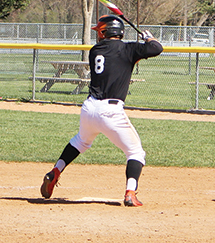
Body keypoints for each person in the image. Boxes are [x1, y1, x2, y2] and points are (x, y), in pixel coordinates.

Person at [40, 15, 163, 207]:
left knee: (80, 142)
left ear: (107, 32)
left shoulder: (95, 50)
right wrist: (149, 39)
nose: (98, 34)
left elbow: (120, 58)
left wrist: (138, 49)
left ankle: (55, 171)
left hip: (90, 108)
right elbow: (157, 49)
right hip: (111, 110)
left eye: (100, 31)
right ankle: (130, 192)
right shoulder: (128, 49)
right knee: (135, 152)